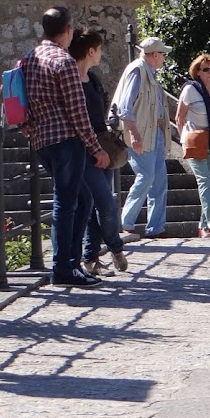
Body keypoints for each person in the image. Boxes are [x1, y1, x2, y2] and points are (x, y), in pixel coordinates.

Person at [19, 6, 109, 287]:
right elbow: (77, 112)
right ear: (68, 30)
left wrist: (30, 127)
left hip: (42, 139)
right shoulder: (65, 62)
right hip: (67, 141)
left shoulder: (29, 59)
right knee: (67, 202)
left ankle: (71, 263)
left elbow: (15, 97)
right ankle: (63, 269)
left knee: (81, 199)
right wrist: (96, 148)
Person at [68, 28, 129, 277]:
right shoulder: (71, 81)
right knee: (105, 203)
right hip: (83, 150)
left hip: (101, 146)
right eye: (99, 49)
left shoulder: (92, 79)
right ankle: (115, 247)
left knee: (97, 203)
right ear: (90, 51)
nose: (102, 53)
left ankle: (90, 259)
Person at [112, 37, 173, 240]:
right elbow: (125, 107)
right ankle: (126, 222)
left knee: (159, 181)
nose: (164, 58)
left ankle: (156, 227)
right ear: (154, 55)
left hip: (152, 133)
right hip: (141, 133)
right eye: (163, 54)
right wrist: (134, 134)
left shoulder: (149, 73)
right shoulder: (138, 71)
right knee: (146, 176)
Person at [176, 53, 210, 238]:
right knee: (204, 182)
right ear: (197, 72)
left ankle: (203, 226)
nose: (209, 72)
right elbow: (179, 118)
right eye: (205, 69)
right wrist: (185, 139)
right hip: (195, 141)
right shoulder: (190, 90)